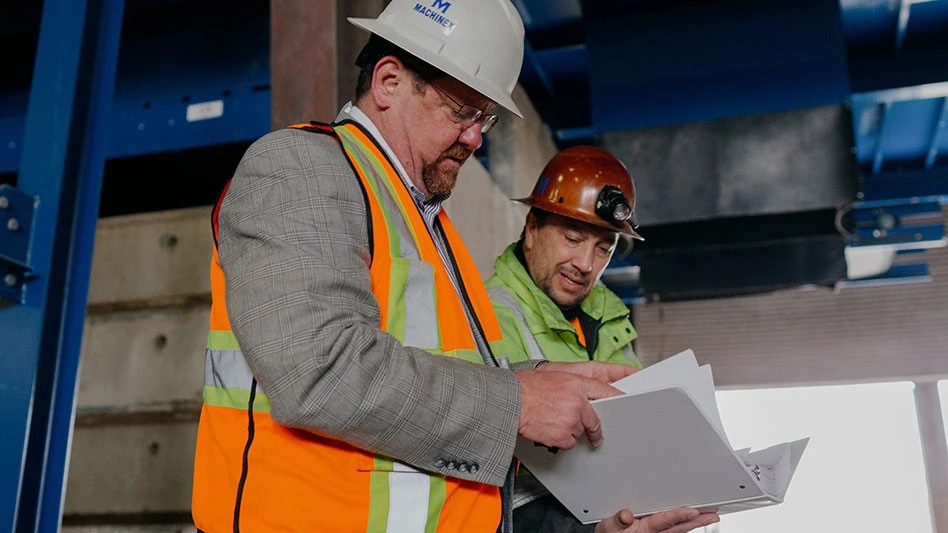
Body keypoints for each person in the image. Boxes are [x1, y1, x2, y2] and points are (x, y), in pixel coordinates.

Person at [190, 0, 719, 531]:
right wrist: (517, 402)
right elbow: (320, 369)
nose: (476, 138)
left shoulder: (423, 221)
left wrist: (542, 379)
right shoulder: (301, 169)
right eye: (462, 111)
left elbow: (424, 369)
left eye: (484, 117)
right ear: (390, 81)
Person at [486, 146, 671, 531]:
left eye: (604, 249)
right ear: (532, 229)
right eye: (573, 238)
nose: (586, 265)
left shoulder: (609, 318)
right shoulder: (486, 315)